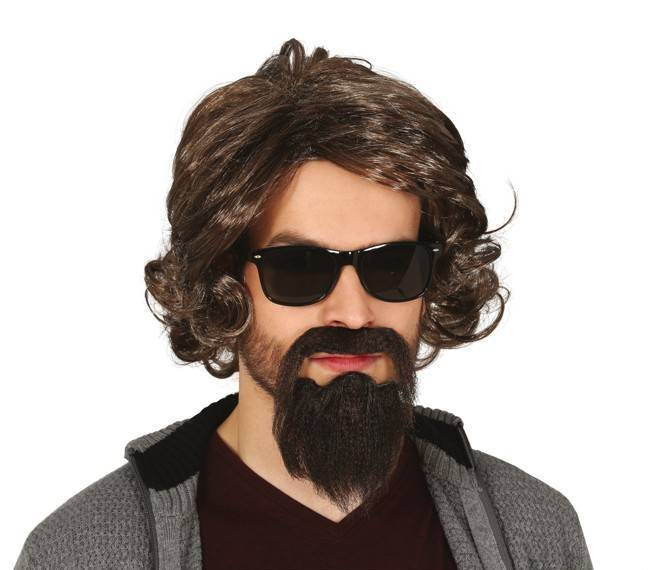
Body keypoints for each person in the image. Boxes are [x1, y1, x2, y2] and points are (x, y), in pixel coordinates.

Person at [14, 38, 593, 570]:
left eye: (392, 266)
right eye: (300, 269)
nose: (354, 312)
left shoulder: (533, 531)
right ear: (224, 280)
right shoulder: (80, 552)